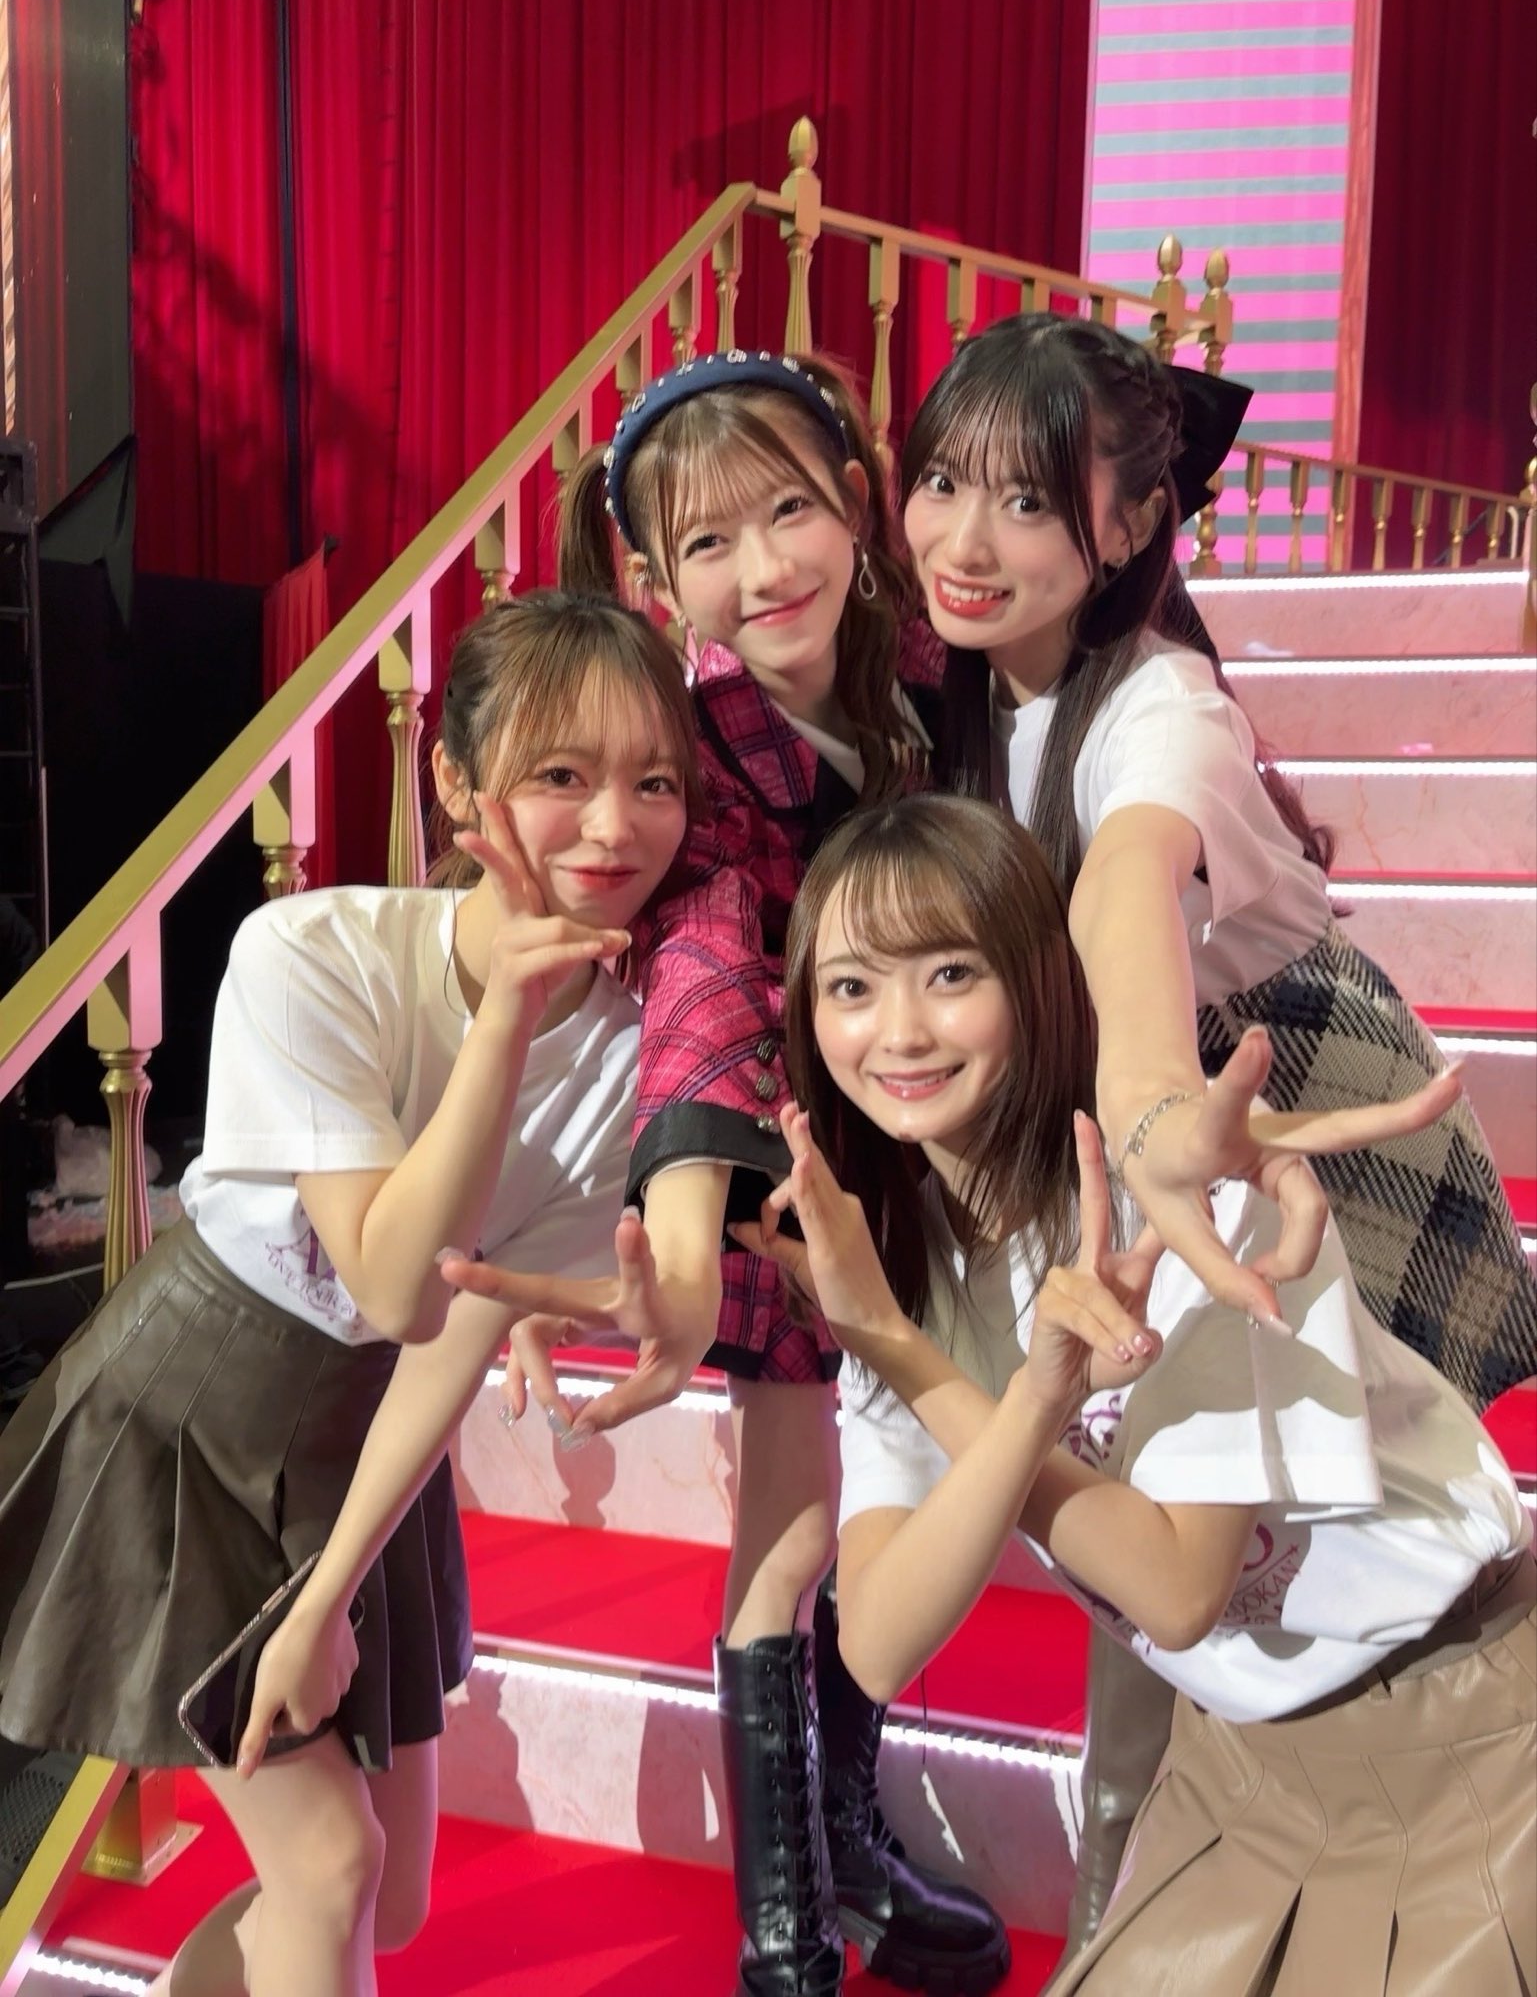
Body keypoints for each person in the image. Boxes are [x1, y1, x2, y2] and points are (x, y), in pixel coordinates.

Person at [897, 312, 1537, 1940]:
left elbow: (1121, 889)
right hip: (1190, 1149)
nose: (963, 539)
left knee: (1261, 1581)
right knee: (1184, 1579)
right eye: (942, 483)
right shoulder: (982, 683)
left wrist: (1151, 1115)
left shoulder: (1160, 707)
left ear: (1126, 526)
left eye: (1025, 501)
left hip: (1285, 1138)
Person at [0, 591, 695, 1997]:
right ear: (458, 779)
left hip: (367, 1444)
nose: (612, 826)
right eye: (561, 774)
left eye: (655, 782)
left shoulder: (634, 1053)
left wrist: (325, 1594)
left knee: (391, 1899)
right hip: (191, 1417)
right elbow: (387, 1279)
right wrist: (501, 1021)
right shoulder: (311, 952)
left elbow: (450, 1330)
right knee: (327, 1866)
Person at [737, 792, 1533, 1997]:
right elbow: (881, 1642)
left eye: (949, 973)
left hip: (1464, 1722)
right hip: (1247, 1760)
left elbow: (1174, 1586)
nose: (897, 1030)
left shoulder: (1184, 1203)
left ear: (1035, 980)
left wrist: (907, 1354)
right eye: (851, 986)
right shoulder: (900, 1268)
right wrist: (941, 1361)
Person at [521, 350, 1010, 1997]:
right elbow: (705, 968)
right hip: (782, 1157)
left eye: (788, 510)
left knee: (909, 1504)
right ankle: (782, 1912)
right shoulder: (703, 751)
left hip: (942, 1131)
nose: (762, 568)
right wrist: (687, 1218)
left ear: (858, 504)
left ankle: (849, 1843)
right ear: (659, 583)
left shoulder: (935, 664)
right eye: (707, 544)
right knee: (792, 1533)